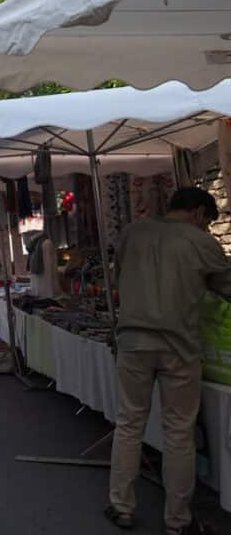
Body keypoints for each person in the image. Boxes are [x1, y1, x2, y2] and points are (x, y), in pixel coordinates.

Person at [106, 187, 231, 535]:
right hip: (180, 348)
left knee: (129, 423)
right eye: (206, 222)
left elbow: (120, 278)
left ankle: (122, 507)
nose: (205, 228)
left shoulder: (132, 233)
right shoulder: (201, 242)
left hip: (133, 342)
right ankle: (178, 520)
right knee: (179, 433)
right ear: (198, 214)